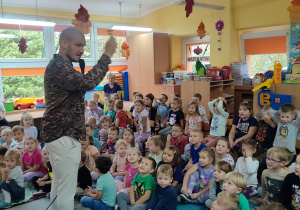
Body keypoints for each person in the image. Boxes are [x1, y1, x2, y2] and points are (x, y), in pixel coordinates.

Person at [41, 27, 117, 210]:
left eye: (83, 46)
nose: (82, 49)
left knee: (59, 184)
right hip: (63, 134)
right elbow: (87, 82)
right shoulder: (59, 66)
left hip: (59, 134)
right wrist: (106, 55)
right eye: (78, 44)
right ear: (64, 43)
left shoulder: (62, 65)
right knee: (66, 189)